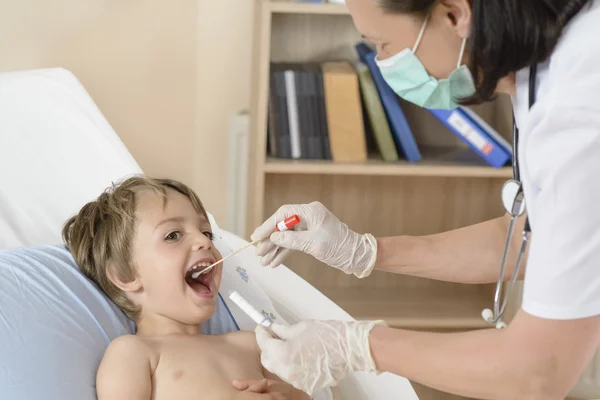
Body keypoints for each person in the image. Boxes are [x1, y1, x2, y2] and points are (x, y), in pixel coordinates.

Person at [248, 0, 600, 399]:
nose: (382, 63)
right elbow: (529, 236)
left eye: (382, 44)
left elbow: (537, 373)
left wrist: (358, 347)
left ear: (454, 14)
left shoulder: (577, 112)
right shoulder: (537, 73)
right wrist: (363, 252)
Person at [62, 176, 310, 400]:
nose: (203, 241)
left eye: (206, 232)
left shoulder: (252, 344)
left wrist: (290, 395)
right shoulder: (134, 353)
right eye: (173, 235)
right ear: (125, 275)